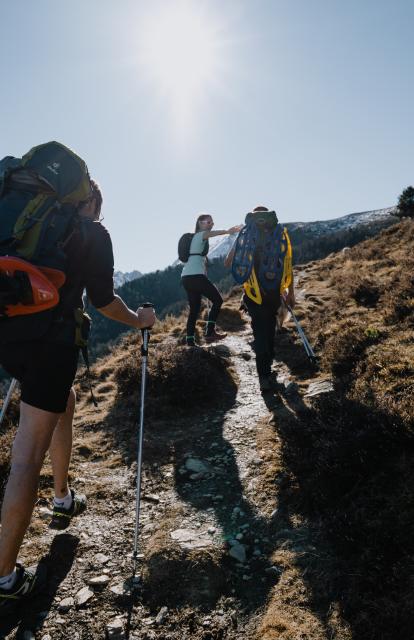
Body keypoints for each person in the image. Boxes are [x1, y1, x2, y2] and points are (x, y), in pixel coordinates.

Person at [0, 180, 156, 614]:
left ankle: (63, 497)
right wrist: (140, 321)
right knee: (26, 456)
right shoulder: (90, 233)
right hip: (50, 345)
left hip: (8, 336)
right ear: (89, 201)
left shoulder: (21, 223)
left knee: (62, 402)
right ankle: (6, 578)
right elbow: (105, 302)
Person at [225, 205, 295, 392]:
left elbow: (228, 263)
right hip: (274, 293)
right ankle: (267, 371)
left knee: (260, 333)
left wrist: (239, 240)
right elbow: (288, 264)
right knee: (269, 331)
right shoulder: (279, 235)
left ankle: (264, 376)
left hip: (253, 294)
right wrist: (291, 293)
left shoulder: (247, 236)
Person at [181, 213, 242, 347]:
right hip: (196, 276)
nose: (211, 225)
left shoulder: (196, 240)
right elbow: (211, 234)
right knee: (218, 300)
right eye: (208, 222)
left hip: (186, 277)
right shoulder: (199, 235)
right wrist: (227, 231)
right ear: (200, 223)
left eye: (212, 223)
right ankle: (210, 333)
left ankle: (190, 341)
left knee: (194, 310)